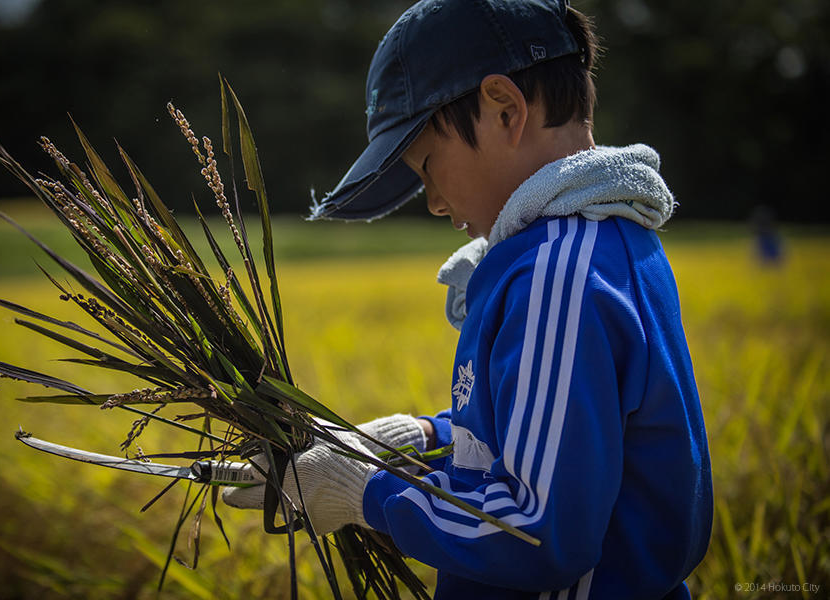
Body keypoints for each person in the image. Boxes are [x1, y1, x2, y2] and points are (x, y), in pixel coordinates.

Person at [224, 1, 713, 598]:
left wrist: (366, 493)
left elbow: (534, 533)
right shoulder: (599, 246)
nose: (431, 201)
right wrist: (421, 439)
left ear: (504, 110)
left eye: (427, 167)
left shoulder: (556, 277)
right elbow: (547, 441)